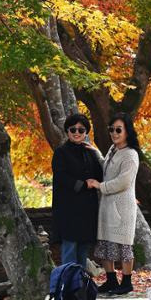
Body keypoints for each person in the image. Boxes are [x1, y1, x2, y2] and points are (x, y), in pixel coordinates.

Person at [89, 111, 140, 296]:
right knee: (105, 244)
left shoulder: (131, 154)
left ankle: (126, 282)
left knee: (124, 245)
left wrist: (100, 186)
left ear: (127, 131)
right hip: (107, 205)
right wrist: (93, 151)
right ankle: (110, 280)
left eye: (119, 129)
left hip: (122, 207)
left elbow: (123, 181)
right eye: (111, 129)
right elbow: (106, 168)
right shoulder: (113, 150)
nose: (114, 133)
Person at [51, 113, 104, 267]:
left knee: (83, 250)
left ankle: (80, 286)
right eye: (73, 129)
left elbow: (100, 176)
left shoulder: (90, 153)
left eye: (81, 130)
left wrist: (97, 154)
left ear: (86, 133)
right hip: (68, 210)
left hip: (87, 210)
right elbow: (61, 177)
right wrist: (83, 184)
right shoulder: (61, 152)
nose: (76, 133)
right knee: (69, 249)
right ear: (67, 131)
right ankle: (68, 287)